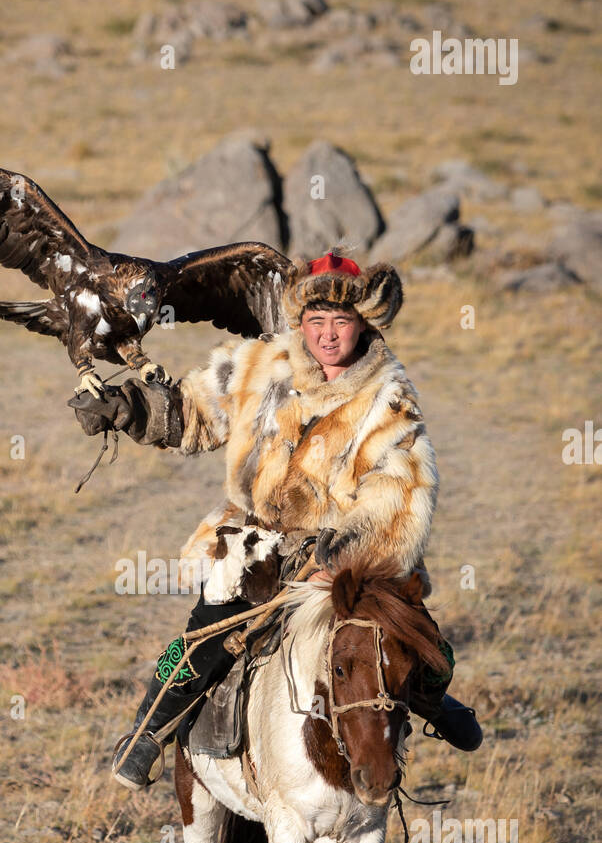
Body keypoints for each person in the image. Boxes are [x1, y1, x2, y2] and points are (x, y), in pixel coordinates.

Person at [70, 251, 482, 789]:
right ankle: (148, 731)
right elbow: (192, 411)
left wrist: (336, 555)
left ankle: (432, 697)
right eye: (316, 322)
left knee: (420, 643)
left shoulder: (388, 398)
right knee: (203, 637)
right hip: (255, 545)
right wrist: (130, 409)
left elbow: (397, 493)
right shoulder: (261, 363)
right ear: (300, 322)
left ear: (363, 322)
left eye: (341, 321)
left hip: (345, 555)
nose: (328, 335)